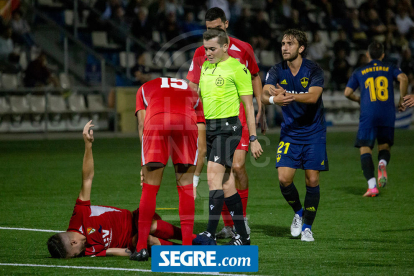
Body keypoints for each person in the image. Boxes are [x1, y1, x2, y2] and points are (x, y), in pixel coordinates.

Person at [46, 121, 213, 259]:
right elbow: (116, 252)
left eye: (74, 255)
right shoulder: (89, 251)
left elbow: (87, 178)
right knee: (145, 240)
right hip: (135, 240)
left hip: (136, 218)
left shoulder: (79, 215)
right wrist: (135, 253)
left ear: (73, 243)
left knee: (150, 225)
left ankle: (197, 240)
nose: (77, 256)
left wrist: (88, 146)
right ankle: (188, 252)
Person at [187, 7, 266, 240]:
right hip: (212, 126)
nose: (207, 51)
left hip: (231, 124)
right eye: (208, 33)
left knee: (217, 174)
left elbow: (251, 90)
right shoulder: (206, 62)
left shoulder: (239, 62)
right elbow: (194, 88)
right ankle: (240, 232)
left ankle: (210, 233)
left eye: (213, 46)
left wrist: (253, 135)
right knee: (226, 180)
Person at [261, 29, 327, 242]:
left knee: (312, 179)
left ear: (301, 48)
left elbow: (313, 97)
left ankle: (307, 227)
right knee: (284, 178)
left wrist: (288, 95)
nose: (284, 47)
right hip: (290, 133)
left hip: (314, 132)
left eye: (289, 43)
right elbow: (263, 94)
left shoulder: (314, 70)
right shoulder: (277, 70)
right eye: (282, 43)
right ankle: (299, 212)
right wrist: (273, 100)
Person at [133, 77, 207, 261]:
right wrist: (195, 174)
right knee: (185, 189)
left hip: (158, 122)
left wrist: (144, 165)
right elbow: (202, 141)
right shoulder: (193, 92)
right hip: (186, 125)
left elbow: (142, 125)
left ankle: (141, 247)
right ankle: (188, 247)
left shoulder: (144, 88)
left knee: (150, 188)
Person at [344, 41, 408, 197]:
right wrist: (402, 99)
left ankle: (372, 186)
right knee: (384, 146)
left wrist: (358, 99)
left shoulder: (360, 71)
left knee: (365, 148)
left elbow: (347, 93)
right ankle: (382, 163)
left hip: (368, 114)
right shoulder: (390, 67)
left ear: (367, 55)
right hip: (387, 113)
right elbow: (404, 79)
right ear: (383, 55)